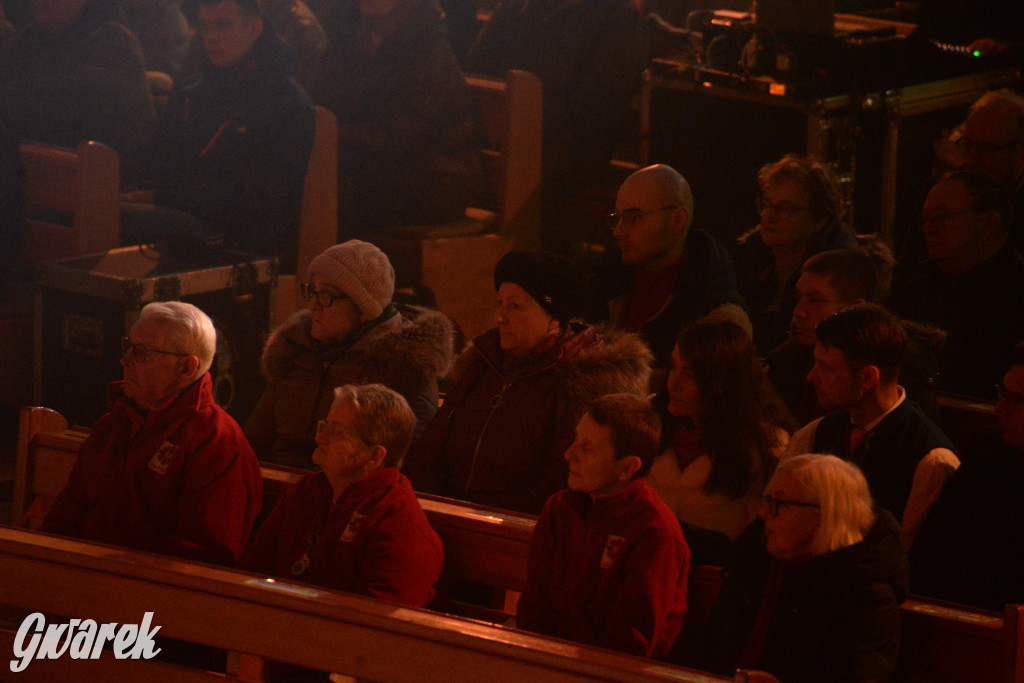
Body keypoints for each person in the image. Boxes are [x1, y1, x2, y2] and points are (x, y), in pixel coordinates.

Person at [403, 250, 652, 514]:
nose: (499, 317)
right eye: (499, 303)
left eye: (515, 305)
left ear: (553, 318)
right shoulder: (482, 365)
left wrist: (486, 522)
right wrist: (432, 507)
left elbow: (558, 483)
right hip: (446, 515)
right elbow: (431, 447)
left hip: (514, 532)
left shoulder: (580, 382)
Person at [40, 301, 263, 566]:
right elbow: (66, 516)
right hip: (82, 577)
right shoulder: (113, 425)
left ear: (186, 368)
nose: (124, 361)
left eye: (141, 353)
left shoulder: (218, 444)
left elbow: (203, 558)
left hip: (148, 594)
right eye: (128, 347)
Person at [123, 0, 315, 263]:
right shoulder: (191, 94)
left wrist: (160, 196)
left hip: (239, 239)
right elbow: (154, 164)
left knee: (119, 219)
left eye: (223, 25)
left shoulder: (284, 102)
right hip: (180, 215)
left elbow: (258, 203)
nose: (211, 37)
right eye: (205, 26)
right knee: (100, 208)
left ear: (254, 28)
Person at [692, 454, 908, 683]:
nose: (764, 513)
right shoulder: (755, 564)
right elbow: (709, 655)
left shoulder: (866, 594)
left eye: (779, 503)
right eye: (766, 500)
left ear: (822, 516)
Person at [245, 240, 453, 468]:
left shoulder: (403, 368)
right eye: (312, 291)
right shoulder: (295, 350)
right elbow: (255, 441)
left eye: (326, 296)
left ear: (364, 308)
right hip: (281, 488)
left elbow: (412, 465)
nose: (313, 304)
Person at [516, 394, 690, 658]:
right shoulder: (561, 509)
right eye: (576, 439)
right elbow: (534, 608)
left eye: (588, 448)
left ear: (627, 468)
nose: (568, 454)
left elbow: (627, 646)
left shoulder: (654, 533)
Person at [241, 384, 443, 606]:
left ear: (374, 456)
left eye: (337, 431)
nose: (320, 438)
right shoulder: (307, 491)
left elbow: (377, 626)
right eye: (325, 425)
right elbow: (251, 572)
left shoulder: (400, 526)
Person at [465, 0, 645, 248]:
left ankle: (521, 264)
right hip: (499, 142)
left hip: (566, 154)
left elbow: (594, 110)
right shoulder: (517, 8)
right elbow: (476, 74)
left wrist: (524, 117)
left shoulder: (616, 18)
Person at [783, 304, 959, 546]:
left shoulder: (931, 460)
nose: (811, 376)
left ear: (868, 378)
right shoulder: (817, 433)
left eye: (826, 367)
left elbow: (906, 558)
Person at [315, 0, 483, 237]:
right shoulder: (349, 32)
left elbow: (397, 137)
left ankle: (328, 270)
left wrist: (327, 132)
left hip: (433, 179)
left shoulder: (427, 50)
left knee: (333, 188)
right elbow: (324, 101)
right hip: (378, 165)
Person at [646, 320, 792, 562]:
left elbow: (752, 542)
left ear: (723, 383)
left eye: (690, 375)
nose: (674, 383)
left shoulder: (762, 448)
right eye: (673, 367)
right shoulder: (648, 421)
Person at [589, 164, 749, 371]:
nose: (618, 231)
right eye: (617, 217)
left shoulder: (717, 315)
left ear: (677, 220)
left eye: (634, 217)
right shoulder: (606, 286)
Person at [766, 243, 944, 426]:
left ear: (854, 307)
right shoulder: (787, 361)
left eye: (816, 300)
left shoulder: (898, 372)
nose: (798, 311)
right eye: (799, 298)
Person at [911, 341, 1024, 611]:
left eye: (1017, 400)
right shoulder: (987, 449)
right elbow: (934, 543)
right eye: (1002, 394)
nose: (1000, 408)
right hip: (953, 609)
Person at [891, 170, 1024, 400]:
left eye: (941, 218)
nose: (928, 229)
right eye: (925, 219)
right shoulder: (918, 283)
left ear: (989, 224)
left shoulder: (1017, 291)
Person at [0, 0, 154, 172]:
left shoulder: (114, 42)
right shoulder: (32, 40)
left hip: (99, 184)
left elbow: (70, 104)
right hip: (42, 173)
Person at [732, 154, 856, 354]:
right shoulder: (747, 264)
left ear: (820, 219)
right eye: (767, 204)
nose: (770, 215)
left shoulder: (833, 280)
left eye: (785, 208)